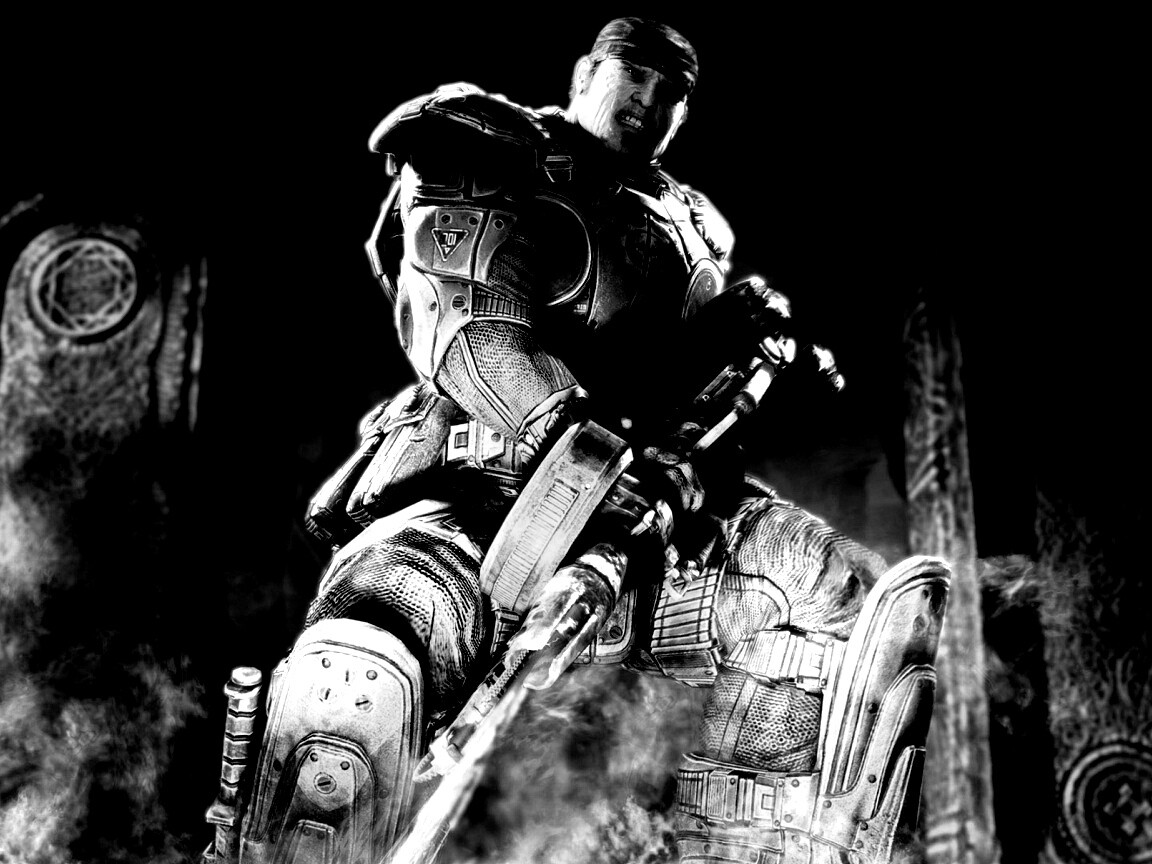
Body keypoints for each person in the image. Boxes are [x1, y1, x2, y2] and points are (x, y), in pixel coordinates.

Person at [218, 18, 949, 864]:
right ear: (584, 74)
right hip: (481, 501)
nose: (650, 99)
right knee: (367, 666)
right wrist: (578, 451)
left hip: (654, 530)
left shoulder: (694, 228)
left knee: (835, 601)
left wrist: (752, 341)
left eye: (673, 91)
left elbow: (685, 379)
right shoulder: (497, 153)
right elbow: (469, 332)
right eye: (634, 73)